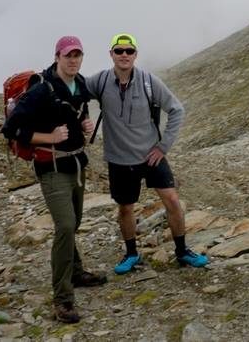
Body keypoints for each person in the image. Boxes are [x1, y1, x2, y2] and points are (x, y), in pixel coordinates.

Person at [1, 36, 106, 323]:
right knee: (66, 226)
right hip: (51, 168)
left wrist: (83, 124)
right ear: (57, 57)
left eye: (77, 55)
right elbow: (10, 129)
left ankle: (76, 272)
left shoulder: (80, 83)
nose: (73, 60)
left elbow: (76, 114)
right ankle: (62, 300)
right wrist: (48, 137)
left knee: (75, 222)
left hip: (76, 163)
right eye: (68, 55)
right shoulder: (41, 90)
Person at [86, 32, 209, 273]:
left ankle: (183, 251)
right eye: (119, 51)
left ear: (135, 55)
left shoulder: (149, 82)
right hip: (119, 159)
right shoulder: (99, 81)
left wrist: (163, 147)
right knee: (125, 208)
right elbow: (74, 91)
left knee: (172, 200)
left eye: (129, 51)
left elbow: (177, 110)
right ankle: (131, 254)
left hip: (151, 156)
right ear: (111, 54)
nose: (124, 55)